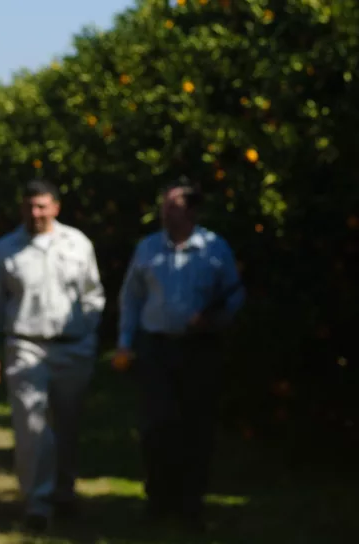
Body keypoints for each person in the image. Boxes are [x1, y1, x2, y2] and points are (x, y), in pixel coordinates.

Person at [114, 178, 244, 531]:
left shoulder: (214, 248)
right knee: (156, 427)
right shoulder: (148, 248)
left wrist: (215, 320)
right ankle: (158, 499)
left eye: (173, 206)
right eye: (163, 206)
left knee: (196, 428)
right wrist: (125, 342)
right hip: (156, 347)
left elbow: (234, 295)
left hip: (198, 349)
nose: (165, 212)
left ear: (192, 210)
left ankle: (191, 504)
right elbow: (131, 299)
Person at [0, 180, 105, 533]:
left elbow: (94, 295)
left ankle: (64, 492)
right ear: (22, 209)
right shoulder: (6, 249)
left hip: (72, 346)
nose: (36, 214)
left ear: (56, 208)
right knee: (32, 426)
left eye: (42, 207)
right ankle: (37, 502)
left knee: (68, 424)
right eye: (30, 207)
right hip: (25, 344)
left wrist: (89, 336)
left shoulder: (78, 244)